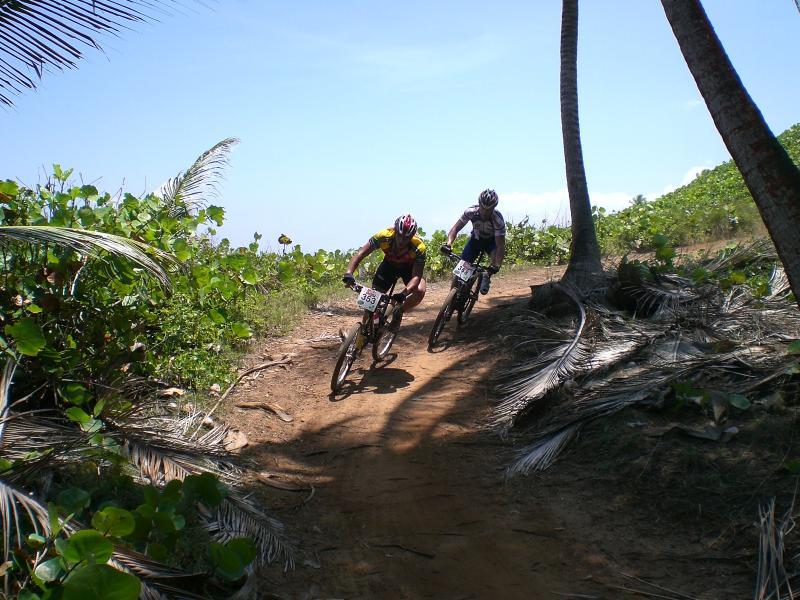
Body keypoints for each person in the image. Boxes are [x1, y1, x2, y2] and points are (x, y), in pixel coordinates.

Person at [342, 214, 427, 332]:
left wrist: (403, 293)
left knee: (420, 290)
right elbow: (360, 254)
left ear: (412, 237)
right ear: (394, 231)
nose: (402, 241)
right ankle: (363, 330)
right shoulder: (383, 236)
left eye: (406, 238)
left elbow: (416, 277)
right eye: (400, 236)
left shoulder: (419, 247)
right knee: (371, 301)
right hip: (389, 266)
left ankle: (399, 311)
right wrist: (349, 273)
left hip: (409, 269)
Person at [441, 188, 505, 294]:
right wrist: (448, 244)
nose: (484, 212)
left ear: (493, 208)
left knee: (494, 262)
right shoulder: (470, 212)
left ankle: (487, 276)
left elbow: (500, 246)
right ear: (479, 204)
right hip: (476, 240)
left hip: (492, 242)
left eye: (488, 210)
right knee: (459, 274)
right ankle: (451, 299)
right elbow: (455, 229)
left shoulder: (498, 220)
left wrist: (497, 265)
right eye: (482, 208)